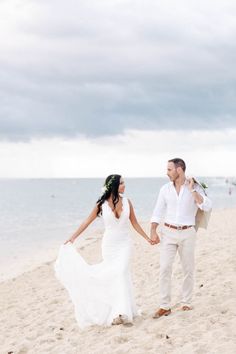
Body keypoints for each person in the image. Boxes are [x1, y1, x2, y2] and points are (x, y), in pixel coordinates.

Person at [55, 174, 154, 328]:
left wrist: (147, 238)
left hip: (125, 244)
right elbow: (87, 221)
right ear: (114, 186)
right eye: (121, 183)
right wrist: (73, 238)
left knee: (121, 272)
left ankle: (123, 312)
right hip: (109, 245)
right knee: (114, 275)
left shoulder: (128, 202)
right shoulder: (101, 204)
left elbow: (134, 223)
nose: (124, 186)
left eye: (124, 183)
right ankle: (118, 312)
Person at [150, 158, 212, 318]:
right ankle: (164, 306)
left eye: (169, 169)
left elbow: (207, 205)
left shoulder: (195, 187)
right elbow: (158, 211)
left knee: (188, 269)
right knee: (164, 268)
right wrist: (153, 230)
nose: (167, 172)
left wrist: (192, 190)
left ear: (179, 170)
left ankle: (186, 302)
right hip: (168, 232)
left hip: (188, 232)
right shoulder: (165, 189)